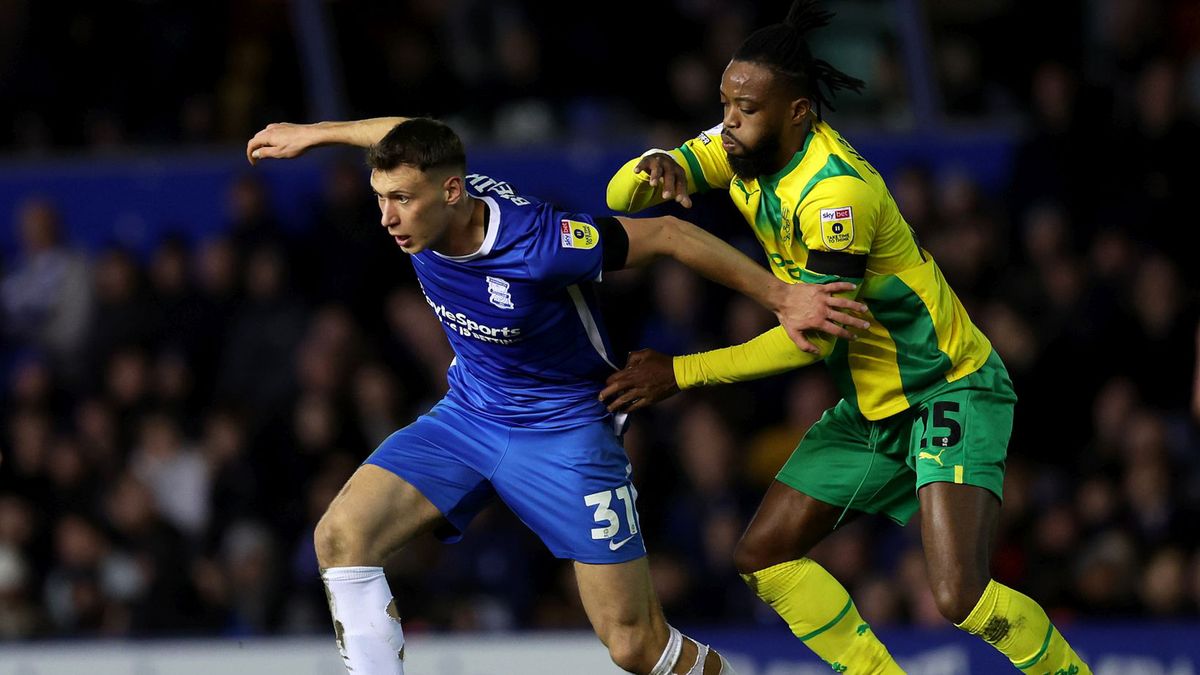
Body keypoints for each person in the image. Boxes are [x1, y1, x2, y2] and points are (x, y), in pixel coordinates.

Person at [245, 116, 865, 674]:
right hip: (469, 414)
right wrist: (315, 134)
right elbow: (408, 130)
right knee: (341, 538)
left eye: (402, 200)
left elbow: (672, 234)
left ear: (453, 192)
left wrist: (783, 298)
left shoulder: (542, 244)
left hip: (566, 433)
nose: (387, 218)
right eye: (381, 198)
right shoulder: (426, 198)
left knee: (634, 645)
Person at [601, 2, 1092, 673]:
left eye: (746, 107)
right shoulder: (736, 145)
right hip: (872, 406)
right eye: (724, 103)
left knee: (958, 594)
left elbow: (813, 339)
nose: (729, 122)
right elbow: (620, 197)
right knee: (763, 554)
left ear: (798, 112)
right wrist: (655, 160)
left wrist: (681, 373)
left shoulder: (838, 195)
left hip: (946, 387)